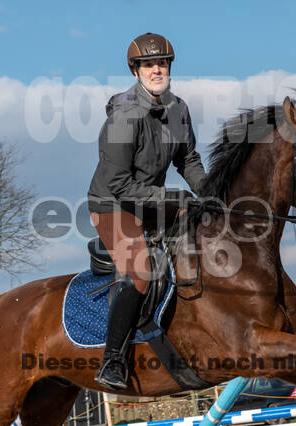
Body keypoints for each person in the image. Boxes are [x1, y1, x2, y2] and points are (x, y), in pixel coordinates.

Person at [87, 32, 207, 390]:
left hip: (149, 200)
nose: (157, 69)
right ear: (136, 70)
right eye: (149, 64)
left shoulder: (178, 109)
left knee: (204, 226)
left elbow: (189, 160)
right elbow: (121, 185)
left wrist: (212, 193)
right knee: (141, 269)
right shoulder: (125, 114)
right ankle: (113, 361)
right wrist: (174, 199)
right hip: (112, 204)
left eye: (162, 63)